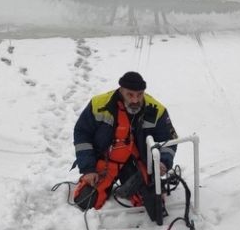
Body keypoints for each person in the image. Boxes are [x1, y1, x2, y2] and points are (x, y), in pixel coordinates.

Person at [72, 71, 177, 214]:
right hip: (106, 161)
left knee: (152, 202)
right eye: (130, 95)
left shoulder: (156, 110)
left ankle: (134, 185)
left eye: (139, 94)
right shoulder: (99, 104)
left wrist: (163, 162)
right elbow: (82, 134)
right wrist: (88, 169)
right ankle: (97, 185)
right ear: (121, 90)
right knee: (85, 200)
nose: (135, 100)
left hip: (138, 163)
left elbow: (169, 140)